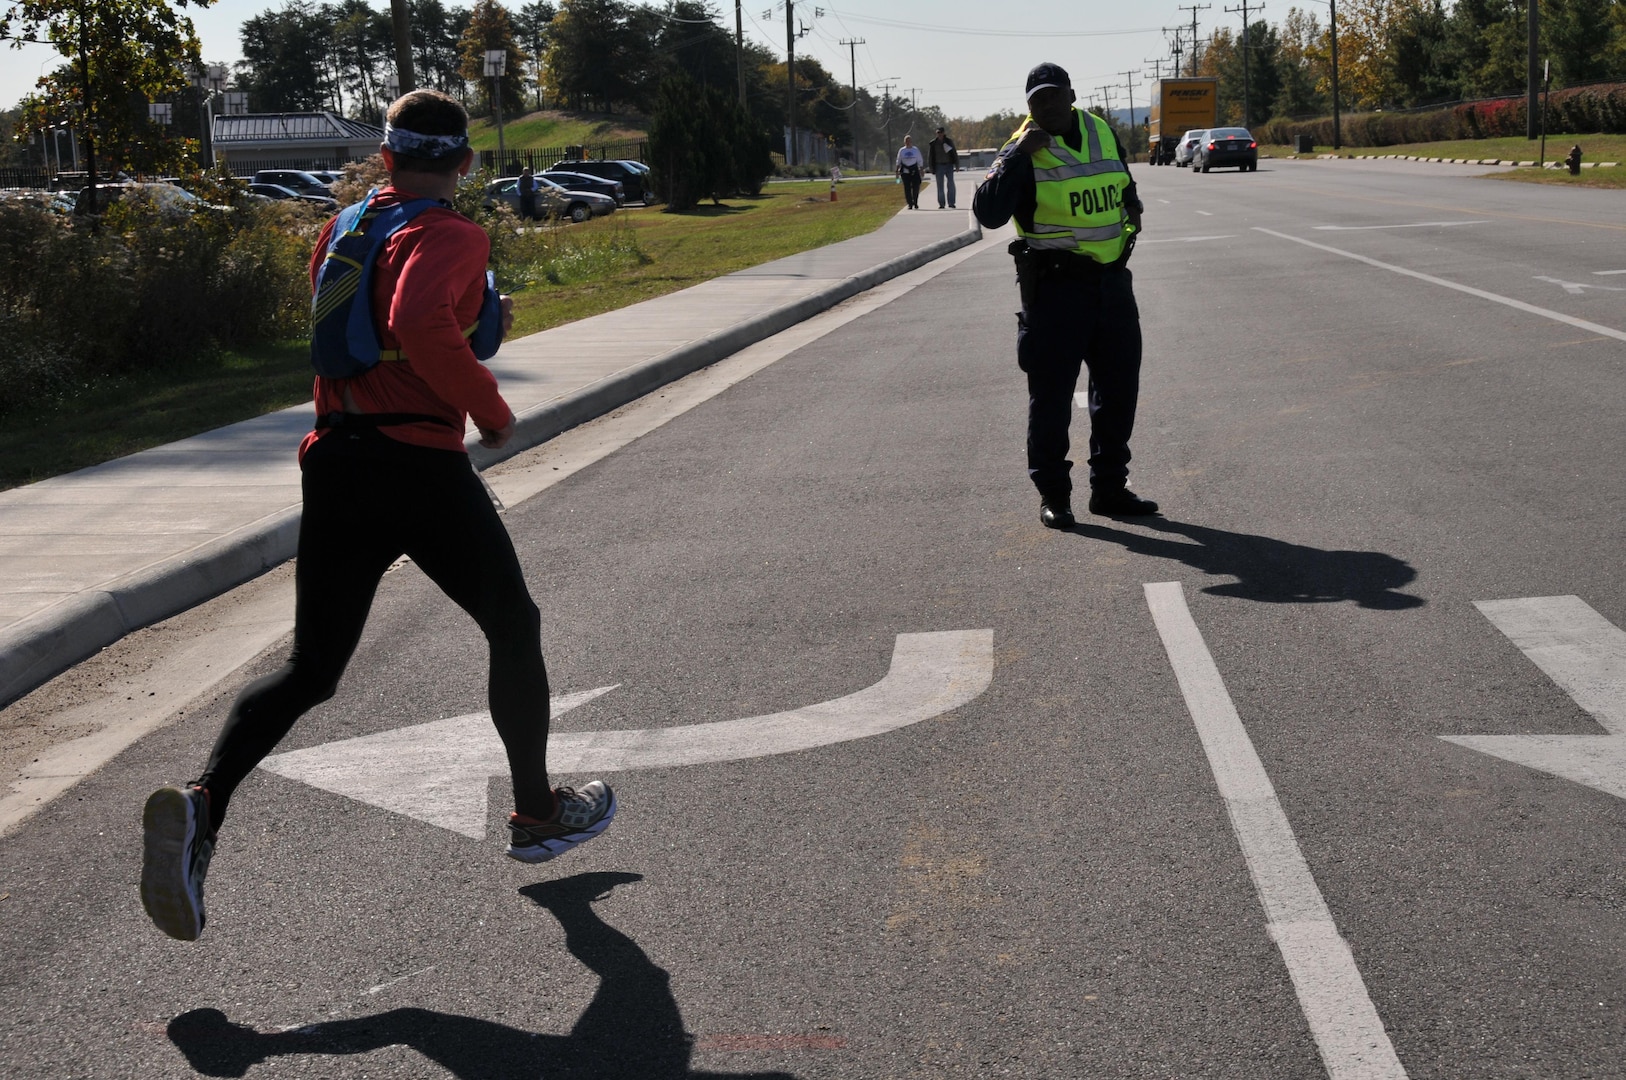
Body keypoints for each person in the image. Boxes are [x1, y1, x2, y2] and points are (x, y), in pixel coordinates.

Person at [138, 89, 616, 943]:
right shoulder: (455, 231)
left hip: (336, 459)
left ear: (387, 156)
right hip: (417, 466)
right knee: (513, 624)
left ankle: (203, 806)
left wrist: (475, 329)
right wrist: (492, 410)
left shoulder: (350, 226)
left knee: (312, 670)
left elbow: (366, 328)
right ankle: (539, 814)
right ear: (465, 163)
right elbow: (417, 323)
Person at [972, 62, 1158, 528]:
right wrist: (1017, 156)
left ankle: (1111, 489)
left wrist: (1132, 205)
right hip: (1056, 289)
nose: (1047, 106)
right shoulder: (1021, 146)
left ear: (1071, 95)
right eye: (1037, 100)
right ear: (1029, 105)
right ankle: (1054, 495)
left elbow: (1121, 183)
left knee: (1118, 392)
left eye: (1055, 96)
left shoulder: (1101, 131)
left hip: (1113, 284)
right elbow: (988, 213)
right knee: (1052, 398)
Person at [928, 126, 958, 209]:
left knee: (951, 184)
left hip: (949, 165)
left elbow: (954, 153)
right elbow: (930, 156)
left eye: (941, 133)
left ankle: (951, 203)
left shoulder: (949, 141)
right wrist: (931, 167)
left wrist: (957, 165)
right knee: (940, 185)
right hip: (938, 165)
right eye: (938, 133)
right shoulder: (933, 143)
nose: (939, 134)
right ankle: (941, 203)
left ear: (944, 133)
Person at [895, 135, 924, 209]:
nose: (908, 143)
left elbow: (919, 160)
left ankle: (915, 202)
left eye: (909, 141)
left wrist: (921, 169)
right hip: (905, 171)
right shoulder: (902, 150)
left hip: (914, 169)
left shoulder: (915, 150)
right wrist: (897, 171)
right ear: (904, 142)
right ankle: (910, 203)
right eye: (906, 141)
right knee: (907, 188)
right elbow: (898, 160)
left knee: (916, 187)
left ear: (911, 142)